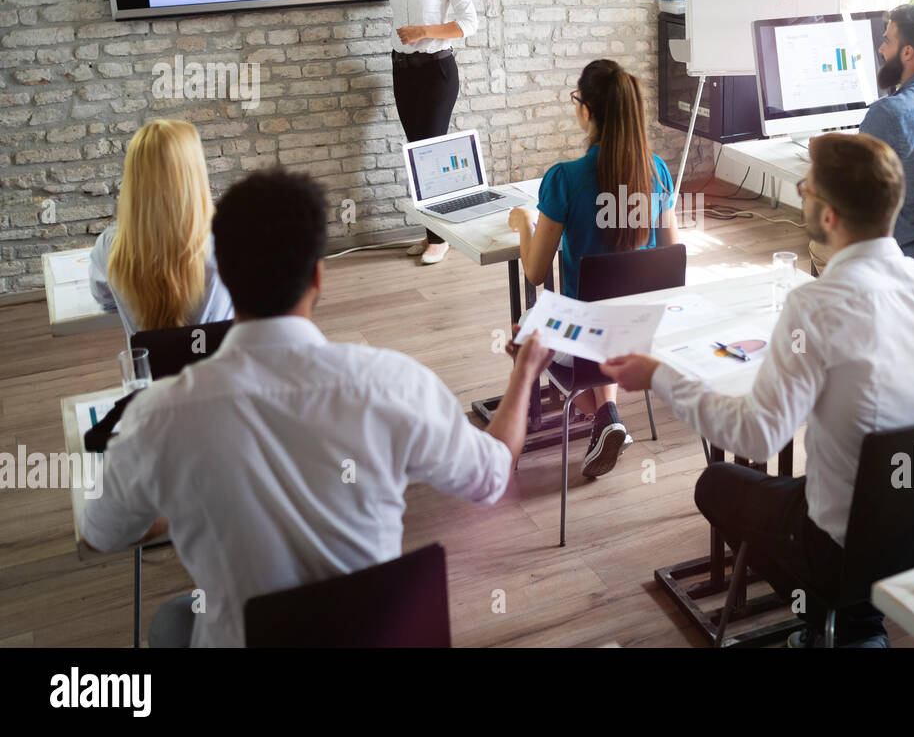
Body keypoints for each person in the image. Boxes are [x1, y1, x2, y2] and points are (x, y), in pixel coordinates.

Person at [79, 168, 553, 647]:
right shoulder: (394, 383)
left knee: (170, 623)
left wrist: (176, 500)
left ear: (221, 272)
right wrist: (524, 372)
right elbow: (493, 476)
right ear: (318, 274)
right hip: (375, 635)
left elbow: (100, 533)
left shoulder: (159, 414)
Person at [601, 133, 914, 646]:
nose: (801, 193)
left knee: (718, 484)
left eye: (807, 188)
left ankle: (836, 620)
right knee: (801, 489)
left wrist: (659, 375)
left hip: (843, 537)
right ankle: (852, 619)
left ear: (830, 217)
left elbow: (758, 436)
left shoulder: (816, 305)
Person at [268, 0, 477, 266]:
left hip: (436, 72)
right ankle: (432, 232)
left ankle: (439, 238)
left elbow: (469, 23)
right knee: (416, 151)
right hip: (402, 70)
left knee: (428, 152)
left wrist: (424, 30)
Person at [508, 58, 679, 479]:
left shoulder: (564, 180)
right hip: (643, 332)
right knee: (605, 321)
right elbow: (671, 259)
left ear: (585, 110)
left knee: (522, 334)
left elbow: (533, 272)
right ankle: (607, 415)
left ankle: (604, 413)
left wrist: (523, 224)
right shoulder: (657, 172)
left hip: (585, 336)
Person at [809, 4, 914, 272]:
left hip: (903, 254)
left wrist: (825, 151)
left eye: (886, 40)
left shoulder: (889, 113)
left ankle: (840, 308)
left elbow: (848, 189)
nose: (880, 49)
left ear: (908, 52)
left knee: (821, 240)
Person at [89, 119, 233, 336]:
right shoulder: (231, 238)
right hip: (220, 368)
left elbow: (105, 300)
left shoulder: (110, 245)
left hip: (150, 370)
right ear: (194, 173)